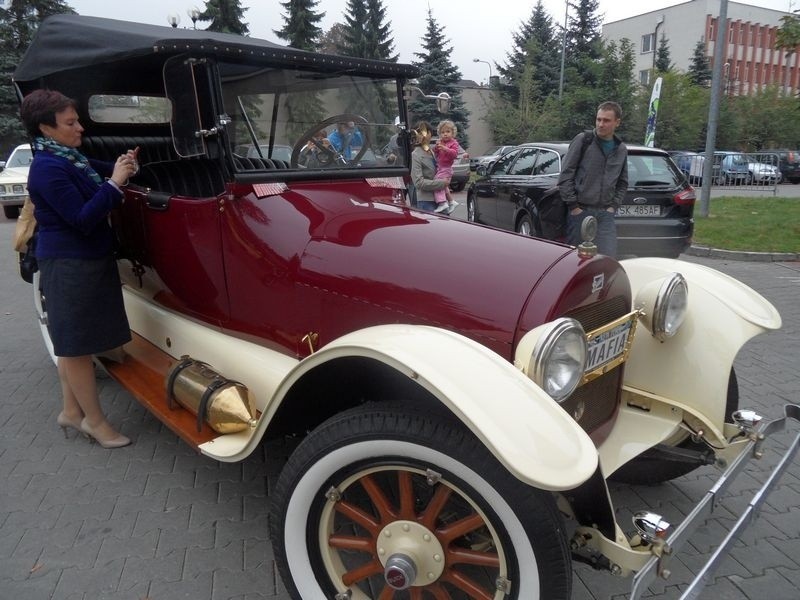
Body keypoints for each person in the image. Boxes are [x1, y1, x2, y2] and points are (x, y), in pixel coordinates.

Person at [20, 89, 138, 449]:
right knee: (75, 347)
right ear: (46, 128)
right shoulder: (47, 169)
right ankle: (95, 423)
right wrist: (116, 182)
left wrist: (126, 164)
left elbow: (104, 174)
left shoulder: (69, 158)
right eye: (70, 123)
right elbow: (83, 219)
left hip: (84, 261)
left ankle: (71, 411)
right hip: (70, 264)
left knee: (74, 347)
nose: (80, 128)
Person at [557, 101, 628, 258]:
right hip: (581, 212)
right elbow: (566, 175)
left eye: (606, 120)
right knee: (576, 261)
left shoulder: (621, 149)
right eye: (598, 119)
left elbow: (622, 182)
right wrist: (574, 207)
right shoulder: (584, 140)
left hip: (606, 215)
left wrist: (613, 207)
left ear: (617, 122)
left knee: (607, 260)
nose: (601, 124)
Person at [409, 120, 450, 213]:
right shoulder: (415, 154)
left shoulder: (432, 151)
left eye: (425, 132)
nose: (423, 136)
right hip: (426, 201)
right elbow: (418, 182)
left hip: (441, 199)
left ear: (430, 133)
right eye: (419, 133)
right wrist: (442, 183)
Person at [432, 120, 464, 214]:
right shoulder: (441, 142)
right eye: (443, 132)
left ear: (453, 133)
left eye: (448, 132)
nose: (445, 134)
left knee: (437, 183)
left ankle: (442, 202)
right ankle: (451, 201)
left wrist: (445, 148)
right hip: (440, 167)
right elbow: (436, 152)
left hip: (446, 168)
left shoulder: (454, 143)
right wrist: (436, 148)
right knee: (444, 185)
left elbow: (454, 154)